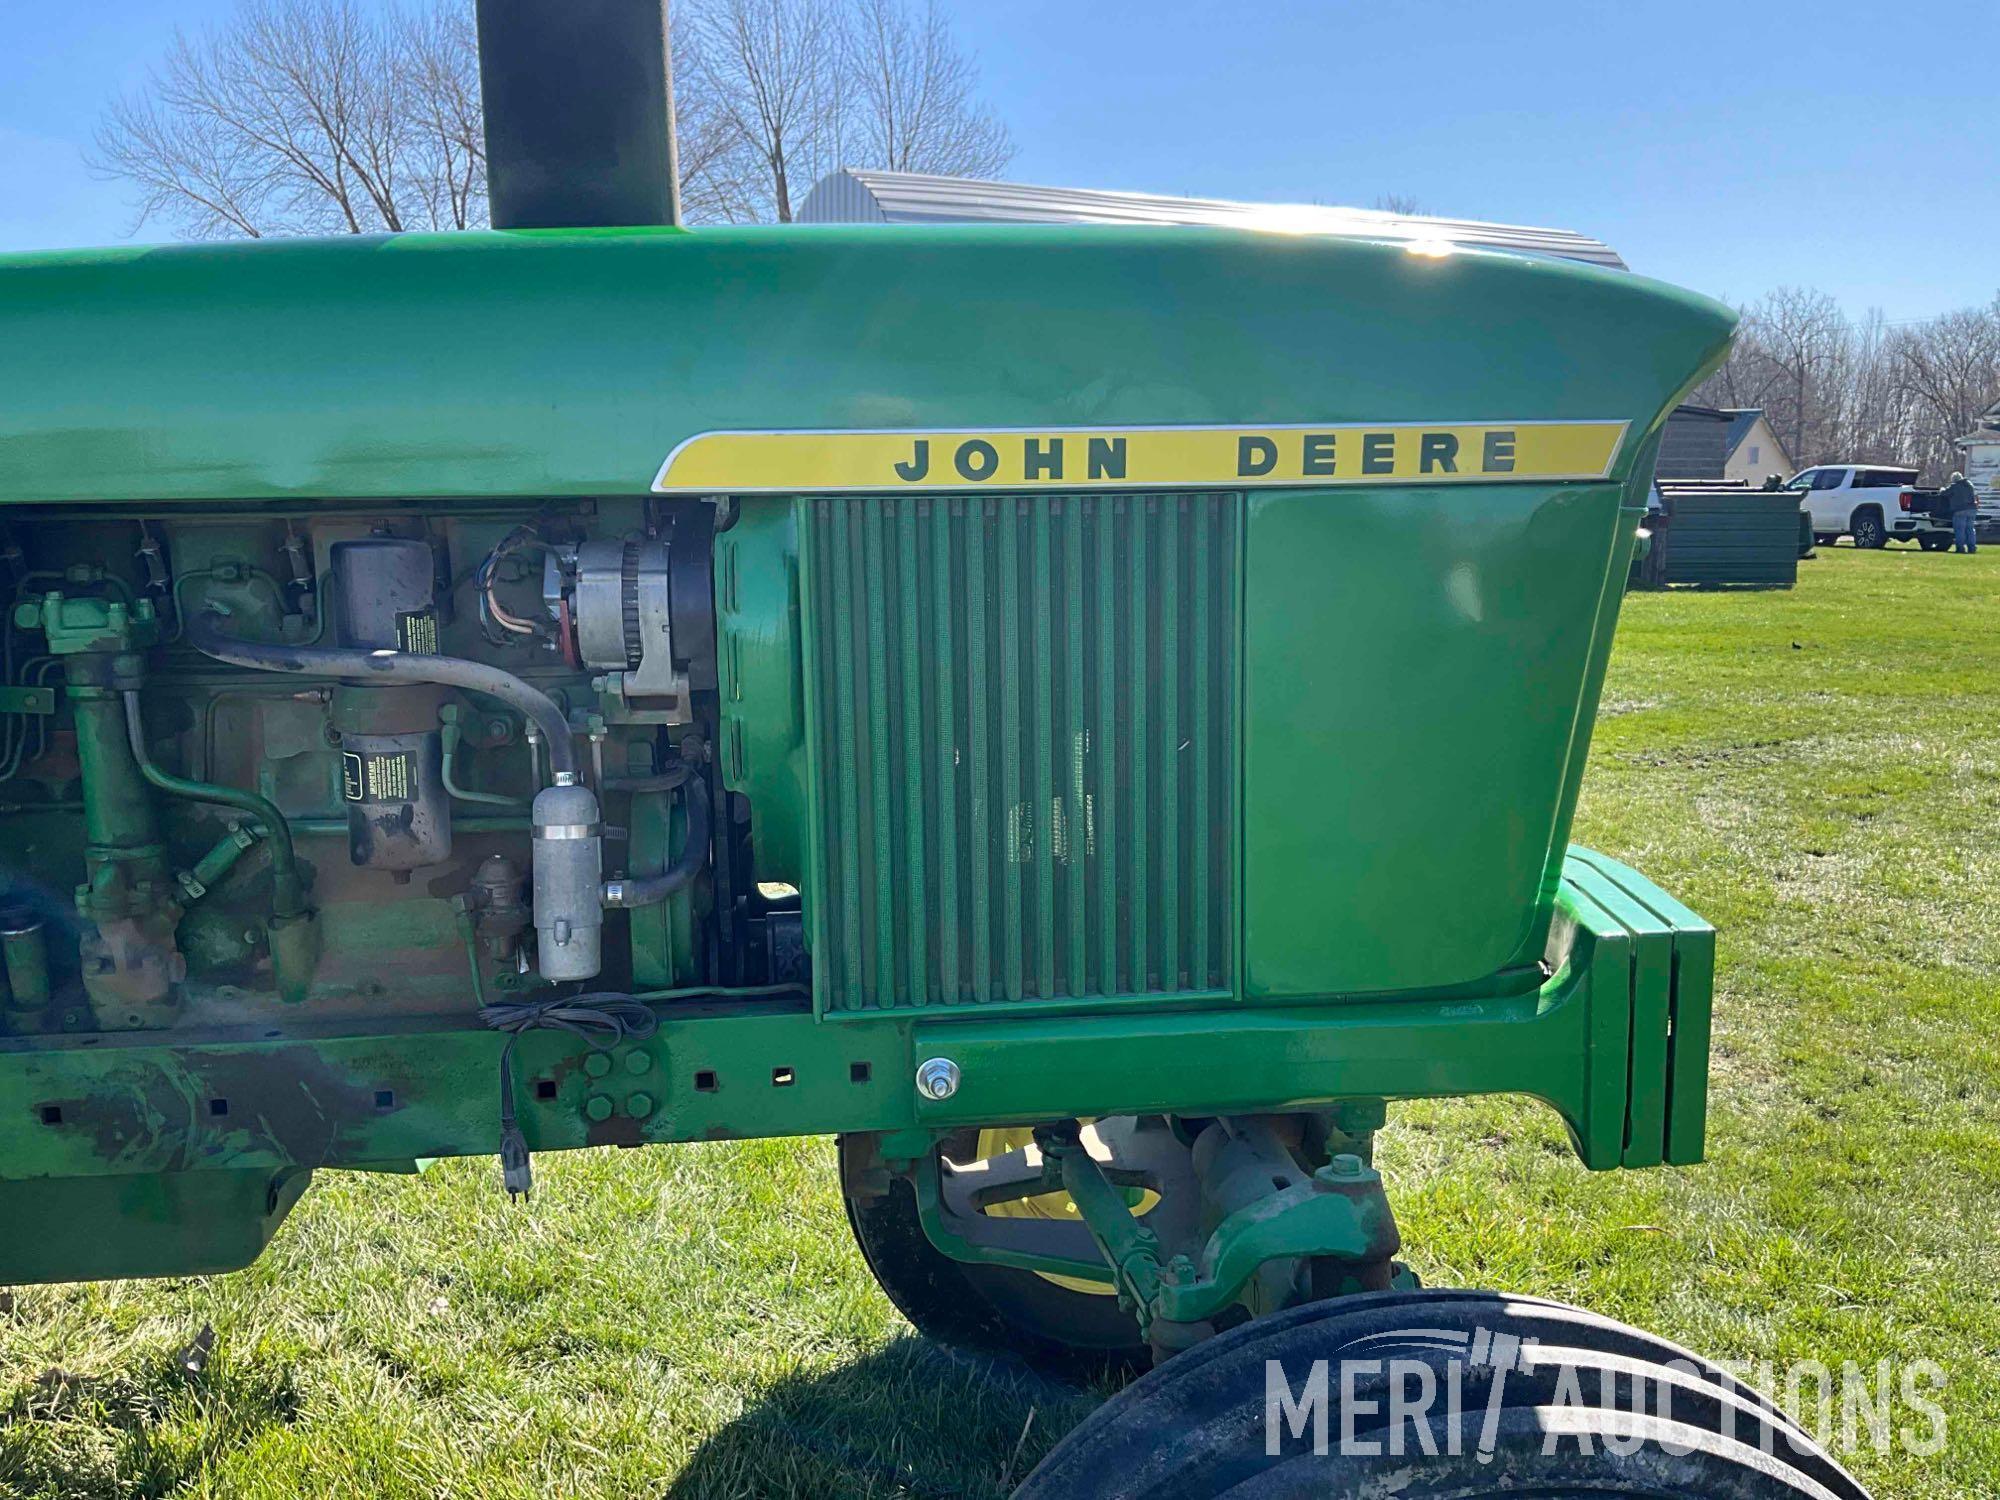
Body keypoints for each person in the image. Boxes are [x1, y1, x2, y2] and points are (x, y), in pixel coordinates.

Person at [1944, 470, 1979, 553]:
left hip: (1960, 510)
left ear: (1954, 479)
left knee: (1960, 530)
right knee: (1970, 529)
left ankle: (1960, 548)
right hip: (1972, 510)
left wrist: (1942, 489)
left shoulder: (1955, 486)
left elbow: (1944, 493)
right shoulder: (1970, 485)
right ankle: (1972, 548)